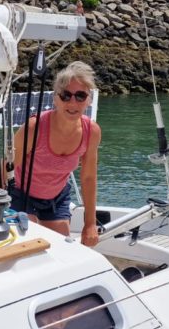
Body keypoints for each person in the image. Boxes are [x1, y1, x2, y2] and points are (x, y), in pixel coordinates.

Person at [8, 61, 102, 246]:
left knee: (61, 247)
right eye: (66, 95)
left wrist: (90, 223)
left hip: (56, 199)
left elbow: (89, 177)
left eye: (80, 96)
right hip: (21, 196)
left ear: (88, 100)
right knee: (28, 242)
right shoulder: (34, 128)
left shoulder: (92, 132)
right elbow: (6, 168)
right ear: (56, 98)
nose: (72, 102)